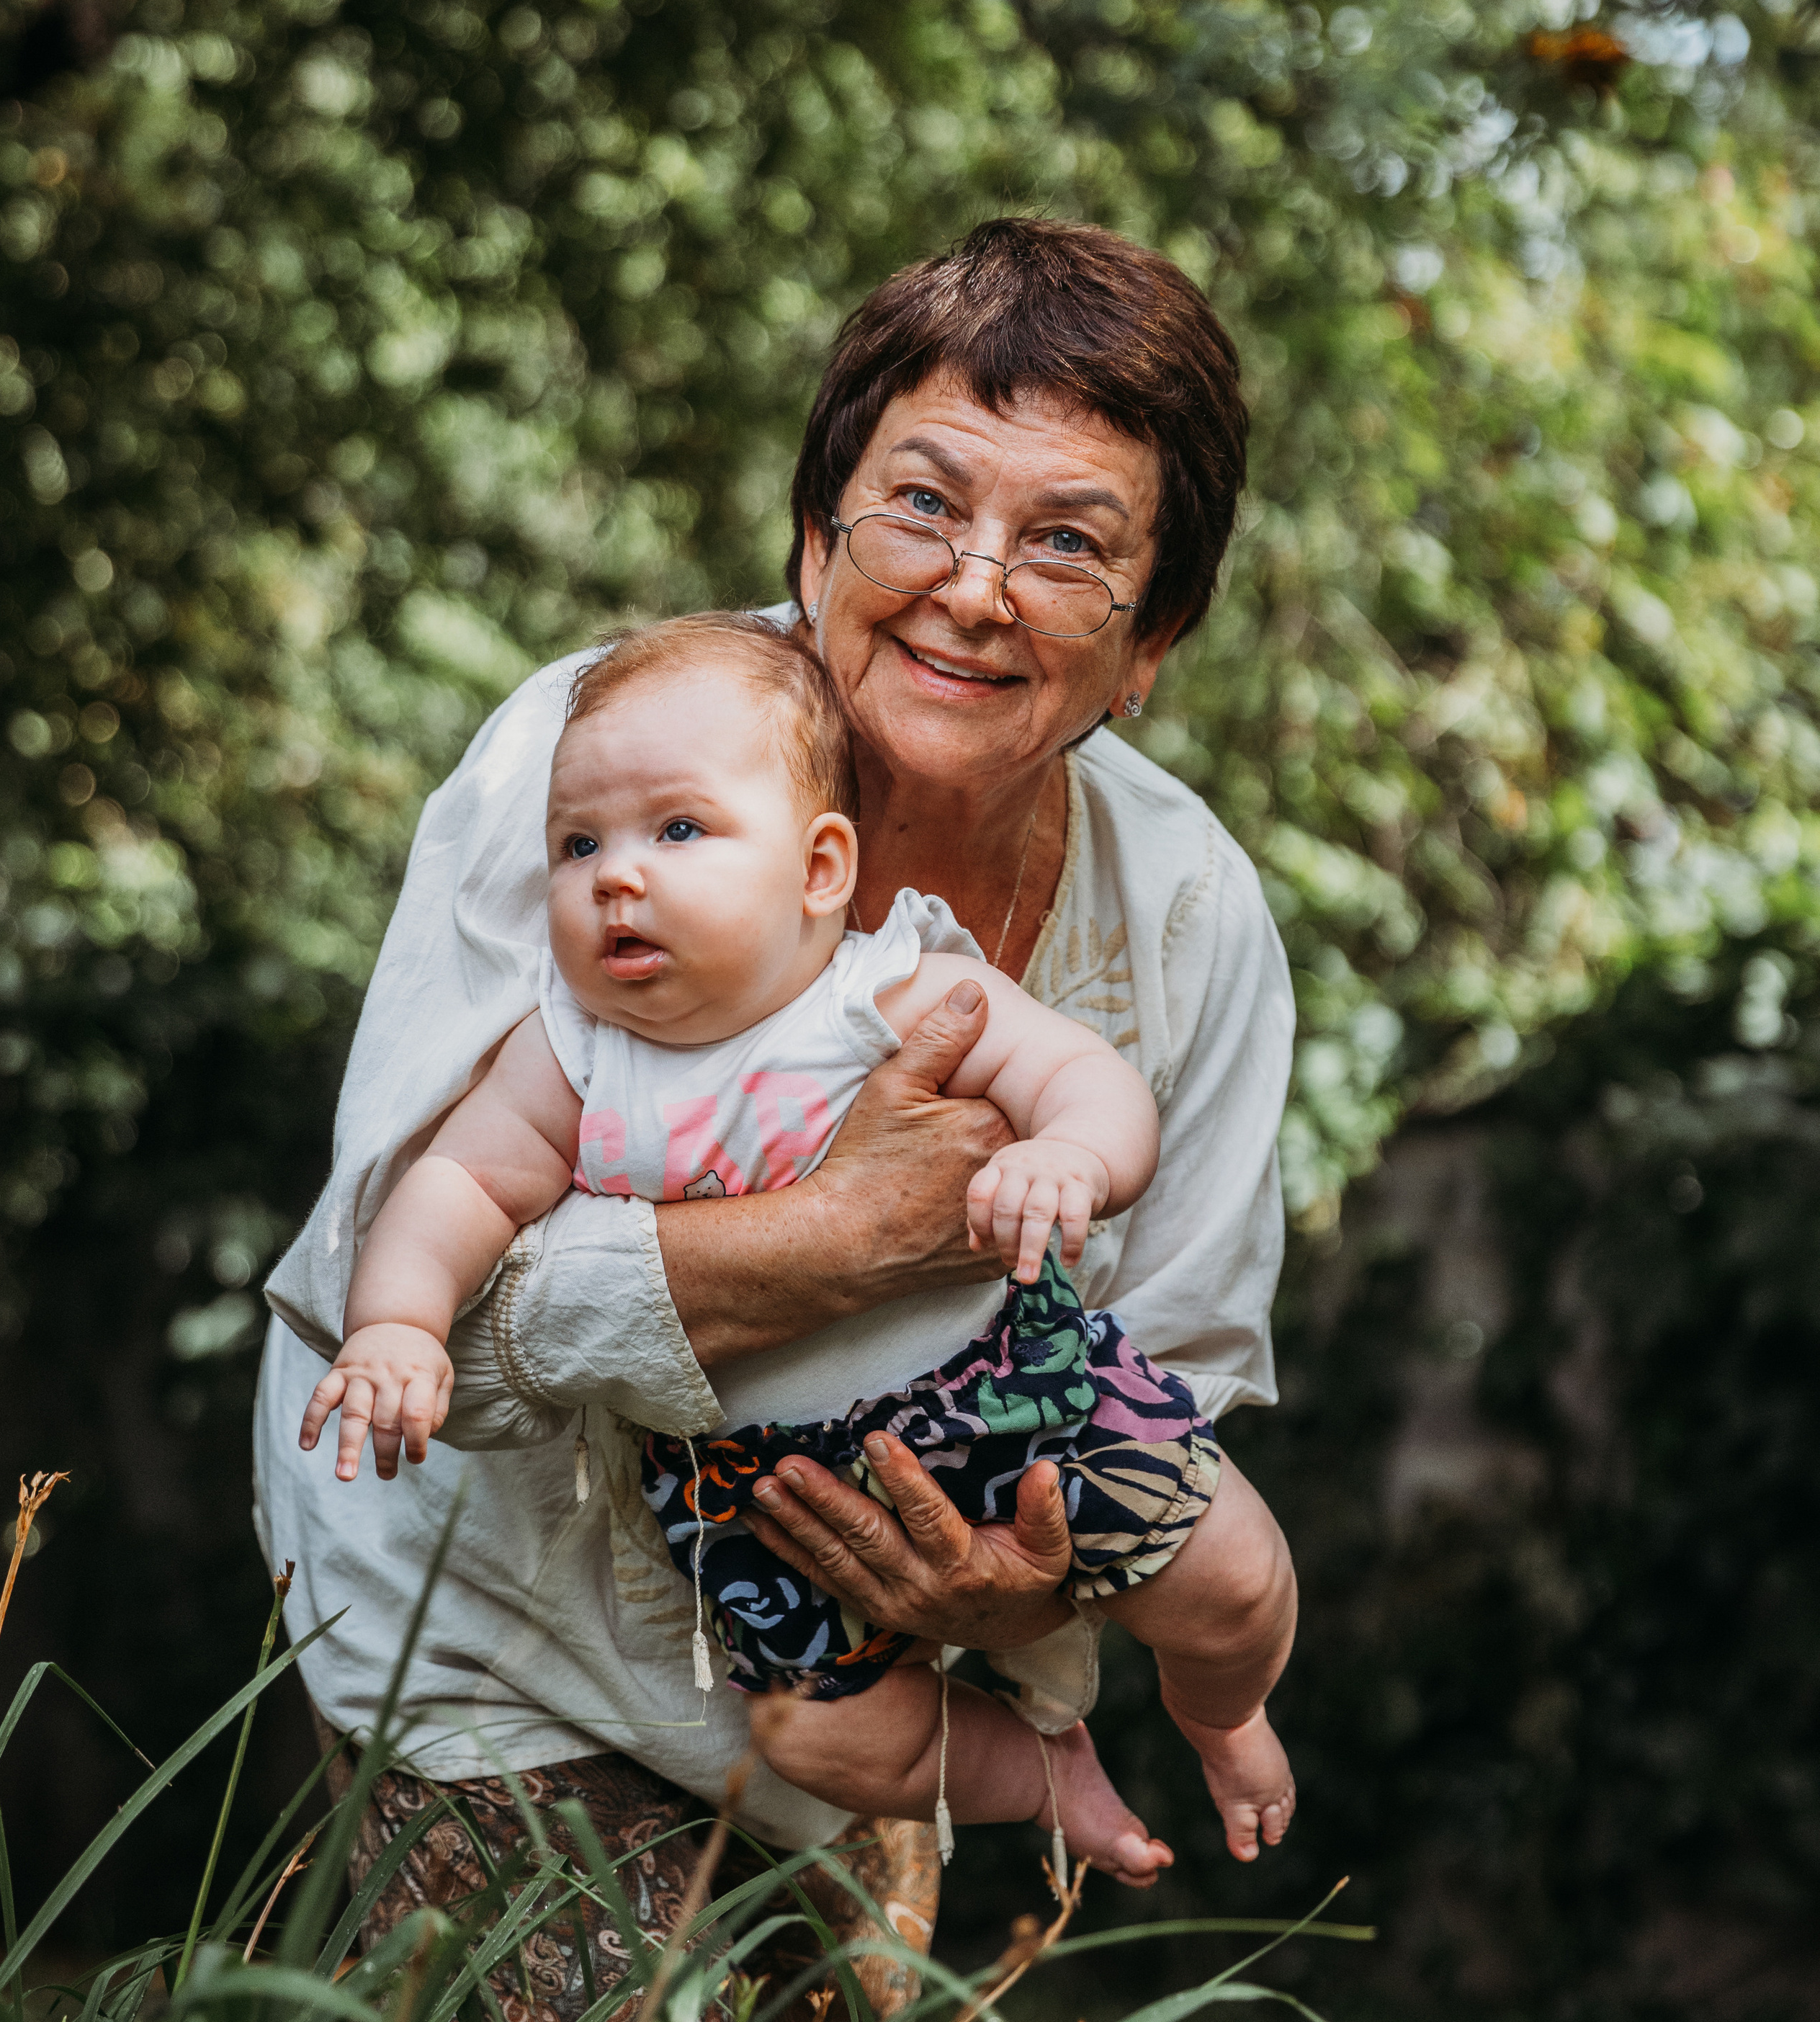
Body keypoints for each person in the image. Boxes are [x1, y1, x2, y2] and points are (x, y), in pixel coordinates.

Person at [257, 215, 1298, 2022]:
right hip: (493, 1630)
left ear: (1149, 642)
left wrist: (1029, 1587)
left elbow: (1178, 1379)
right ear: (817, 546)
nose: (975, 589)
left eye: (1069, 543)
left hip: (857, 1678)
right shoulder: (599, 774)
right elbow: (407, 1316)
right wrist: (853, 1230)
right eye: (923, 507)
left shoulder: (1187, 919)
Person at [295, 612, 1294, 1880]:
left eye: (677, 831)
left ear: (821, 867)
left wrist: (1073, 1159)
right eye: (578, 844)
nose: (614, 876)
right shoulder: (573, 1056)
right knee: (827, 1740)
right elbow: (457, 1187)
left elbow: (1087, 1081)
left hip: (1018, 1389)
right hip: (761, 1490)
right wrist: (395, 1322)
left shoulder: (886, 993)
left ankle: (1224, 1714)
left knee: (1234, 1577)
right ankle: (1044, 1780)